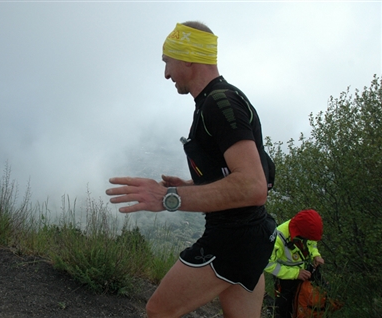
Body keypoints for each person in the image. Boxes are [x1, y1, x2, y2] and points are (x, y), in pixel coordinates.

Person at [106, 21, 276, 318]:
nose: (166, 74)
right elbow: (250, 175)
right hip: (252, 236)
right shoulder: (221, 99)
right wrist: (189, 185)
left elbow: (253, 186)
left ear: (187, 57)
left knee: (159, 311)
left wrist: (169, 197)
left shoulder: (219, 105)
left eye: (167, 61)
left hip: (232, 237)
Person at [265, 209, 325, 318]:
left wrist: (315, 255)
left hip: (305, 272)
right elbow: (267, 264)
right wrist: (295, 273)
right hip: (285, 279)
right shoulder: (278, 238)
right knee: (285, 309)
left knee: (316, 300)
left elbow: (312, 242)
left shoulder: (304, 229)